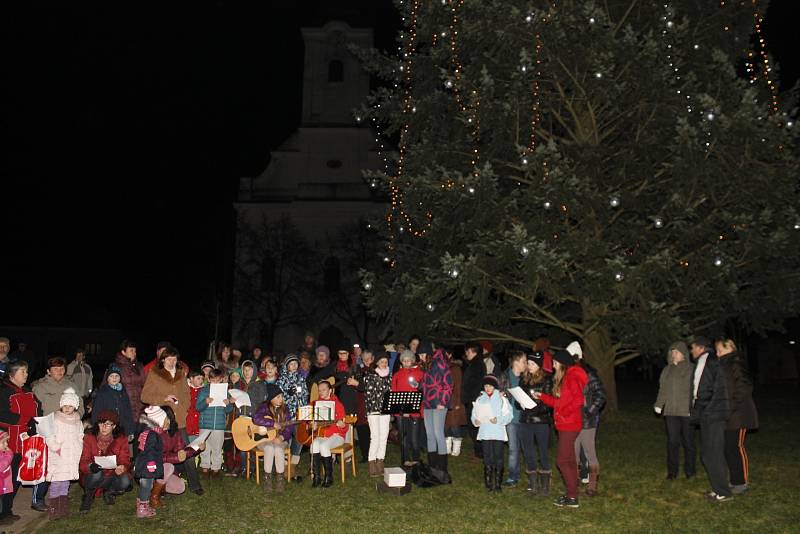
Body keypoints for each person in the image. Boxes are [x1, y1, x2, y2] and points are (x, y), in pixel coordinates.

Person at [140, 346, 203, 495]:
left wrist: (183, 407)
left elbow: (186, 394)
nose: (172, 362)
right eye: (169, 359)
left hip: (179, 420)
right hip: (161, 420)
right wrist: (163, 399)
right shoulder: (155, 374)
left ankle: (195, 484)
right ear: (162, 359)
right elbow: (144, 396)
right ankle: (157, 485)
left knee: (186, 450)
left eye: (174, 359)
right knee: (159, 453)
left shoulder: (181, 374)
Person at [533, 350, 588, 508]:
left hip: (569, 424)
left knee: (562, 461)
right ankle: (572, 493)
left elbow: (578, 401)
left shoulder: (571, 377)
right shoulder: (565, 378)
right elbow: (559, 402)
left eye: (555, 362)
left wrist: (563, 413)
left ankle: (572, 497)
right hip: (566, 424)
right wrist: (542, 397)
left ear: (562, 363)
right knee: (569, 460)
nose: (554, 365)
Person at [690, 336, 732, 502]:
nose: (691, 351)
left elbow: (702, 389)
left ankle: (723, 492)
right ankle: (718, 489)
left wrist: (696, 411)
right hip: (714, 413)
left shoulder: (705, 360)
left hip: (712, 414)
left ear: (700, 348)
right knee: (710, 454)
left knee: (711, 454)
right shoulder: (711, 360)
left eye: (693, 348)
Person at [715, 338, 758, 494]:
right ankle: (734, 481)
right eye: (716, 350)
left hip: (739, 414)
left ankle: (741, 483)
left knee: (736, 447)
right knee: (728, 448)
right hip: (727, 414)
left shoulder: (736, 363)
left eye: (720, 350)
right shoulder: (722, 365)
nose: (717, 353)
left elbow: (744, 387)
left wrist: (731, 406)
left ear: (730, 348)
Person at [0, 360, 38, 525]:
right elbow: (2, 416)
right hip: (9, 445)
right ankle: (3, 512)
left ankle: (7, 511)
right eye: (23, 372)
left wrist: (36, 422)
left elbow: (38, 409)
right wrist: (25, 420)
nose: (26, 375)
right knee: (6, 480)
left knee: (16, 479)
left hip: (26, 442)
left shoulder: (28, 391)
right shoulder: (4, 392)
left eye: (27, 371)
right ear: (12, 374)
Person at [567, 341, 606, 496]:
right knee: (573, 453)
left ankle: (592, 485)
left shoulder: (589, 374)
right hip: (572, 420)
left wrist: (589, 411)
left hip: (587, 421)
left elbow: (600, 395)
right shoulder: (567, 373)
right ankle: (574, 484)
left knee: (590, 452)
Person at [146, 405, 203, 510]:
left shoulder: (174, 433)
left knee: (180, 487)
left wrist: (197, 449)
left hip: (165, 470)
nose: (166, 421)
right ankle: (153, 496)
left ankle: (159, 487)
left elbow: (182, 452)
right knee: (168, 466)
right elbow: (156, 458)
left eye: (167, 418)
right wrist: (176, 457)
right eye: (163, 419)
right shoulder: (151, 434)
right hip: (150, 469)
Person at [654, 341, 696, 480]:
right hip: (671, 412)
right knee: (672, 442)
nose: (673, 355)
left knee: (688, 442)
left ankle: (690, 471)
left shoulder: (692, 369)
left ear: (683, 353)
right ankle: (672, 471)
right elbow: (663, 389)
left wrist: (695, 406)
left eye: (676, 352)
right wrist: (659, 404)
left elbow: (696, 390)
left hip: (686, 411)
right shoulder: (667, 370)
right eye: (672, 352)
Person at [78, 410, 132, 513]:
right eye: (101, 423)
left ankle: (110, 491)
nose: (103, 427)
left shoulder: (121, 439)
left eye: (108, 424)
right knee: (96, 474)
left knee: (125, 481)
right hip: (93, 475)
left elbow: (125, 459)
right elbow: (84, 460)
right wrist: (90, 466)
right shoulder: (89, 438)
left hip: (111, 474)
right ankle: (88, 497)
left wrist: (122, 467)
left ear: (114, 426)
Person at [45, 387, 84, 520]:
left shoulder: (77, 421)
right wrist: (56, 447)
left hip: (72, 456)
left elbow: (80, 435)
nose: (67, 408)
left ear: (75, 407)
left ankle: (63, 509)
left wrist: (79, 446)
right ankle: (54, 510)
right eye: (65, 406)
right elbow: (49, 436)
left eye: (70, 406)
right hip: (58, 456)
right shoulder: (55, 419)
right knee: (57, 482)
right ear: (61, 405)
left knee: (65, 483)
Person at [518, 352, 553, 495]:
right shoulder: (523, 380)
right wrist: (520, 403)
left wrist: (534, 404)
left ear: (539, 365)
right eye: (529, 363)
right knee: (528, 452)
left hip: (541, 421)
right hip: (525, 420)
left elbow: (549, 404)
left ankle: (545, 484)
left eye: (533, 364)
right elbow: (518, 402)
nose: (529, 366)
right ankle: (533, 483)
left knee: (543, 452)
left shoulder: (547, 381)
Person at [353, 351, 391, 477]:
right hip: (373, 410)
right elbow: (366, 392)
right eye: (381, 362)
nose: (384, 364)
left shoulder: (390, 376)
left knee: (384, 436)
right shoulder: (370, 375)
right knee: (375, 436)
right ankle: (371, 462)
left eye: (386, 362)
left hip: (386, 410)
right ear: (377, 363)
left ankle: (380, 460)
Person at [471, 375, 512, 492]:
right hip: (485, 433)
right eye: (485, 386)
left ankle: (498, 483)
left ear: (495, 386)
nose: (487, 388)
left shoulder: (502, 399)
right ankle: (488, 482)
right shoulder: (480, 400)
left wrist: (498, 420)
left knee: (498, 457)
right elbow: (474, 414)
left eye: (490, 386)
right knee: (488, 457)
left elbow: (509, 415)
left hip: (498, 433)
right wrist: (476, 421)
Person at [253, 384, 293, 492]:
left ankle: (280, 478)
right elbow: (256, 418)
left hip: (280, 439)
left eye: (281, 396)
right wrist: (272, 423)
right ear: (271, 398)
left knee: (278, 449)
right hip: (264, 440)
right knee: (269, 448)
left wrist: (282, 436)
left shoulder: (285, 410)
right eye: (278, 397)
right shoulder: (264, 407)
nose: (281, 399)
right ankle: (267, 477)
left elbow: (289, 428)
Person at [422, 346, 453, 481]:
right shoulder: (428, 365)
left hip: (439, 404)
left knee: (438, 433)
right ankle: (432, 466)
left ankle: (442, 469)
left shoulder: (440, 363)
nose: (420, 357)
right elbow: (427, 384)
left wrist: (443, 401)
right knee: (429, 435)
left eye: (422, 354)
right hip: (428, 403)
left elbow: (448, 383)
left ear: (428, 353)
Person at [195, 368, 234, 478]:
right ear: (209, 379)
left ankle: (216, 468)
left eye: (218, 380)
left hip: (219, 424)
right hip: (205, 424)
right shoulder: (204, 391)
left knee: (217, 447)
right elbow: (198, 407)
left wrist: (228, 403)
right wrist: (205, 402)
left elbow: (228, 410)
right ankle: (205, 467)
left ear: (221, 380)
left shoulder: (225, 392)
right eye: (213, 380)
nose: (215, 382)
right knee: (205, 447)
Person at [309, 380, 347, 488]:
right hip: (323, 435)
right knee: (314, 445)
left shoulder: (338, 404)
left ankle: (328, 477)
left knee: (324, 446)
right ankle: (317, 477)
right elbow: (309, 420)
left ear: (330, 390)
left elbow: (345, 424)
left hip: (337, 436)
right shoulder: (316, 404)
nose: (321, 392)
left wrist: (342, 424)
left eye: (323, 390)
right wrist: (313, 425)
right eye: (319, 390)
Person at [276, 354, 309, 476]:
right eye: (291, 364)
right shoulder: (282, 379)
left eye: (296, 363)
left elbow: (305, 395)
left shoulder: (301, 378)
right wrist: (288, 394)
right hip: (286, 415)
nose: (294, 366)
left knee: (299, 437)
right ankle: (284, 466)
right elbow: (278, 398)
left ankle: (293, 465)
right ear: (287, 366)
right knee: (287, 438)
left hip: (299, 414)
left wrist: (304, 409)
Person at [392, 350, 424, 466]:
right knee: (404, 438)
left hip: (414, 412)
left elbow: (423, 392)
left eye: (408, 360)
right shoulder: (397, 375)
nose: (406, 363)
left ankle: (416, 460)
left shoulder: (419, 374)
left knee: (415, 438)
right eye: (404, 361)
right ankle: (405, 460)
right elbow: (394, 393)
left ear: (412, 361)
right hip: (400, 411)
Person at [499, 350, 526, 487]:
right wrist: (501, 395)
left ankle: (531, 475)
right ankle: (513, 476)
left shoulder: (527, 378)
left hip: (526, 418)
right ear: (516, 362)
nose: (526, 364)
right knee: (513, 449)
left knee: (526, 448)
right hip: (511, 419)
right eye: (524, 362)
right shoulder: (504, 376)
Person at [91, 364, 135, 440]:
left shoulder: (123, 392)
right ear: (107, 378)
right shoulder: (102, 393)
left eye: (117, 376)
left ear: (120, 378)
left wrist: (130, 430)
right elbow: (96, 412)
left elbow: (128, 412)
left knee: (121, 450)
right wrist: (97, 429)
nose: (114, 378)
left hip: (122, 428)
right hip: (107, 429)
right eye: (111, 376)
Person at [462, 341, 486, 460]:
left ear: (472, 351)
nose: (466, 353)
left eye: (467, 351)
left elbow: (474, 383)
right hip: (474, 399)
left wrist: (470, 397)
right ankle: (478, 451)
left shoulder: (476, 364)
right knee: (474, 426)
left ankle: (479, 452)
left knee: (474, 426)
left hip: (474, 400)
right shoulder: (475, 363)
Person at [115, 340, 146, 422]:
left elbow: (145, 385)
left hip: (140, 406)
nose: (134, 353)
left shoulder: (139, 366)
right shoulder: (116, 367)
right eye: (131, 351)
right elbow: (106, 386)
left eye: (135, 351)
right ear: (123, 352)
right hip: (124, 406)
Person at [444, 348, 466, 457]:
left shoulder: (455, 368)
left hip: (454, 400)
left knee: (455, 425)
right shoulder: (443, 367)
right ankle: (447, 447)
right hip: (445, 401)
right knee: (446, 425)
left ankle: (456, 448)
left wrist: (457, 402)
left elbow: (458, 386)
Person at [186, 370, 204, 439]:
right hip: (188, 425)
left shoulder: (204, 390)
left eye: (202, 378)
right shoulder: (185, 389)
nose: (201, 381)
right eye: (198, 378)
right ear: (191, 378)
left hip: (199, 426)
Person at [0, 432, 14, 506]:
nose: (6, 444)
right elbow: (2, 466)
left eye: (6, 441)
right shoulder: (5, 455)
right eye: (3, 442)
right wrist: (9, 454)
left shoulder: (2, 453)